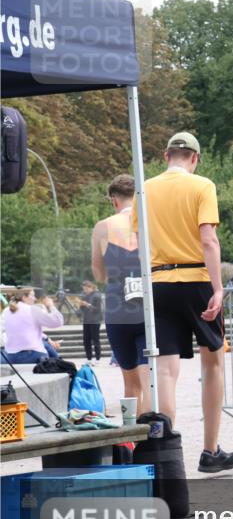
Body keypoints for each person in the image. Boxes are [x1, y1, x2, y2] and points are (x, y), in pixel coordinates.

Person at [134, 132, 233, 473]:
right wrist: (218, 288)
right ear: (195, 158)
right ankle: (210, 451)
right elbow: (208, 240)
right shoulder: (202, 185)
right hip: (196, 280)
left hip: (159, 282)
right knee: (214, 363)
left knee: (164, 368)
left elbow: (139, 241)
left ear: (166, 155)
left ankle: (165, 455)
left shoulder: (144, 188)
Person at [91, 174, 149, 415]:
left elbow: (99, 275)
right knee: (150, 383)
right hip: (146, 308)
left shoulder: (102, 227)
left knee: (130, 384)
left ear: (114, 200)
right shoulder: (148, 222)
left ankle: (132, 442)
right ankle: (152, 441)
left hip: (117, 310)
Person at [0, 289, 64, 364]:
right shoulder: (33, 310)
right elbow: (58, 321)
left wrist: (46, 338)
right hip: (33, 355)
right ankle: (61, 364)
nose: (35, 299)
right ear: (24, 297)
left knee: (46, 344)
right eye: (33, 295)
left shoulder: (6, 311)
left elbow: (22, 331)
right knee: (47, 348)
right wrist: (51, 305)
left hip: (10, 356)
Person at [79, 280, 103, 364]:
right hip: (86, 321)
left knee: (95, 340)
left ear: (90, 287)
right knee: (86, 340)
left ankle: (97, 359)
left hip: (95, 321)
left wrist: (88, 305)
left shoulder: (97, 295)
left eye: (85, 289)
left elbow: (98, 310)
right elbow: (82, 309)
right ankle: (89, 358)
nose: (84, 290)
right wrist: (81, 305)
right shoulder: (85, 296)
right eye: (83, 289)